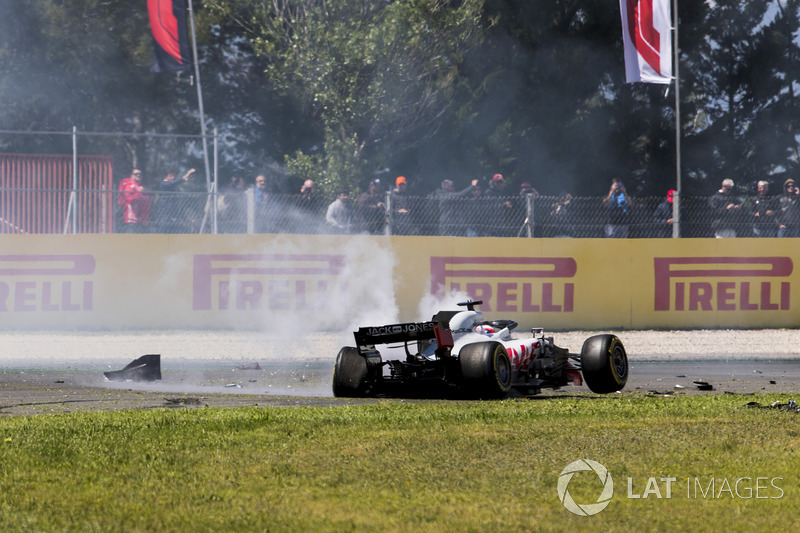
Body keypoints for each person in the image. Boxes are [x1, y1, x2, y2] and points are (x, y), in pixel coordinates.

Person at [156, 168, 195, 233]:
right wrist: (186, 175)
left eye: (174, 176)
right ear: (166, 176)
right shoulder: (163, 184)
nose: (173, 177)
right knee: (163, 236)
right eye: (171, 176)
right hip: (165, 216)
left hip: (175, 216)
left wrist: (184, 217)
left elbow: (180, 199)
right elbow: (173, 183)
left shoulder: (175, 188)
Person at [118, 168, 152, 233]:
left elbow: (149, 200)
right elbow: (130, 199)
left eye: (140, 174)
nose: (139, 175)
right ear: (132, 175)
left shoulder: (141, 187)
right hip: (132, 219)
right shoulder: (129, 184)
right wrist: (140, 193)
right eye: (136, 174)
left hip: (143, 219)